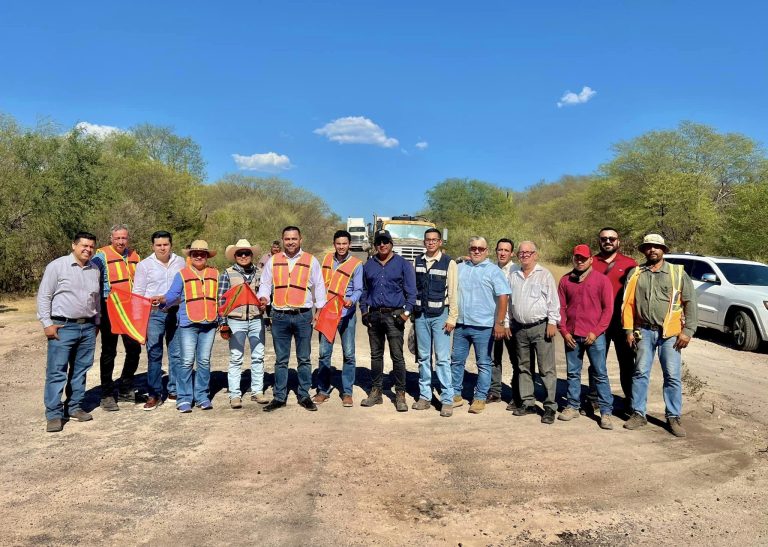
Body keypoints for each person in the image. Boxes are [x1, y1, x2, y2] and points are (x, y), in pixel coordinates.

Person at [622, 234, 698, 437]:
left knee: (672, 376)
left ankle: (673, 417)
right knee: (640, 373)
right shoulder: (636, 273)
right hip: (643, 331)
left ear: (663, 250)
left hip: (671, 334)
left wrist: (688, 331)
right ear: (644, 250)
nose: (652, 250)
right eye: (648, 247)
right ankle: (638, 413)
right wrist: (629, 330)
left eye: (656, 247)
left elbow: (690, 303)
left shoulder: (677, 273)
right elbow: (628, 304)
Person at [257, 226, 327, 412]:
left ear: (300, 239)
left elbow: (319, 286)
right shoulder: (273, 260)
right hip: (279, 315)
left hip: (303, 315)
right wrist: (263, 297)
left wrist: (319, 311)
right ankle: (279, 397)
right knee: (281, 360)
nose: (290, 242)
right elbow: (265, 283)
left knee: (304, 359)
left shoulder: (311, 260)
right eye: (287, 239)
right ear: (282, 240)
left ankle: (304, 395)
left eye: (294, 238)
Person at [37, 231, 101, 432]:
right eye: (84, 245)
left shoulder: (95, 269)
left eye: (91, 246)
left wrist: (97, 322)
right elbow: (44, 296)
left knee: (81, 370)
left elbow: (96, 299)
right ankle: (54, 414)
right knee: (57, 371)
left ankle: (74, 406)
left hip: (88, 326)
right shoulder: (57, 266)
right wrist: (47, 323)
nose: (87, 249)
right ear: (73, 245)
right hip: (63, 326)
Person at [153, 240, 219, 413]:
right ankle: (184, 398)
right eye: (195, 253)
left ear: (207, 256)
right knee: (187, 362)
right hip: (188, 324)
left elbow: (222, 298)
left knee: (204, 362)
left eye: (202, 253)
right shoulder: (181, 275)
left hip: (209, 323)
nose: (199, 256)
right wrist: (162, 299)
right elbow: (172, 295)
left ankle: (202, 396)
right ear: (190, 256)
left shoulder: (215, 274)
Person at [450, 237, 510, 415]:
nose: (477, 251)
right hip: (461, 324)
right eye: (473, 248)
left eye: (480, 249)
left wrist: (499, 323)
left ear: (487, 251)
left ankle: (480, 397)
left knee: (483, 363)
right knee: (456, 361)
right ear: (469, 250)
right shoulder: (460, 268)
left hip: (484, 326)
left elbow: (503, 297)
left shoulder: (493, 271)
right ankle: (455, 394)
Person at [557, 245, 615, 430]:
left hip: (594, 337)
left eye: (583, 258)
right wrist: (564, 331)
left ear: (591, 260)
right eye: (577, 258)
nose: (580, 261)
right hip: (572, 336)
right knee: (573, 373)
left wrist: (596, 332)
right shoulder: (566, 280)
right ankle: (573, 406)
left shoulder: (601, 280)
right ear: (573, 259)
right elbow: (561, 308)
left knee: (600, 373)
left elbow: (608, 310)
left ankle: (606, 412)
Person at [359, 229, 417, 411]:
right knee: (376, 355)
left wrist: (406, 314)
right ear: (375, 245)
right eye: (379, 242)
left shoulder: (403, 264)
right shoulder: (368, 265)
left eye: (385, 241)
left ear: (391, 243)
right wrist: (364, 311)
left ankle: (400, 394)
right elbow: (364, 291)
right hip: (374, 315)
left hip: (395, 316)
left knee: (397, 356)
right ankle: (376, 392)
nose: (382, 245)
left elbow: (411, 292)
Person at [506, 241, 561, 424]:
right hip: (520, 328)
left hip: (541, 327)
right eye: (522, 253)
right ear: (518, 255)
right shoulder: (513, 275)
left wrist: (552, 322)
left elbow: (553, 301)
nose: (525, 255)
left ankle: (549, 406)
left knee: (546, 369)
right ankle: (528, 402)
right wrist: (507, 323)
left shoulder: (544, 274)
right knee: (523, 368)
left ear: (535, 255)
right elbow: (508, 302)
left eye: (529, 252)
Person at [91, 224, 142, 411]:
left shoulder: (135, 256)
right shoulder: (100, 257)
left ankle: (126, 388)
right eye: (117, 238)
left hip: (131, 310)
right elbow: (91, 281)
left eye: (124, 238)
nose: (121, 241)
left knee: (134, 348)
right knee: (109, 352)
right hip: (110, 308)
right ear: (111, 238)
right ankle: (106, 394)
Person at [132, 230, 185, 410]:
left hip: (175, 312)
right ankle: (154, 393)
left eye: (166, 244)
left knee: (176, 354)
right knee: (154, 353)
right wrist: (138, 323)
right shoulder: (144, 265)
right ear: (152, 246)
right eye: (158, 245)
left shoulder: (181, 262)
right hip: (153, 314)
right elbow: (138, 294)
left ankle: (174, 390)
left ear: (171, 244)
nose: (162, 248)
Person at [589, 227, 638, 416]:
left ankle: (631, 402)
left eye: (612, 238)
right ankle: (594, 399)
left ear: (618, 241)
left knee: (627, 363)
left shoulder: (629, 264)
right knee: (596, 362)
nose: (608, 241)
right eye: (604, 238)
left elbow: (636, 294)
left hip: (622, 322)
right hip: (598, 322)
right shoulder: (590, 262)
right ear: (599, 241)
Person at [313, 230, 363, 407]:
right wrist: (317, 311)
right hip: (327, 314)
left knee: (349, 354)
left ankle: (347, 392)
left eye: (344, 243)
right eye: (338, 243)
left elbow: (359, 289)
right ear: (334, 244)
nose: (341, 247)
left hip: (346, 315)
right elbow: (318, 284)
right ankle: (322, 390)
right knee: (324, 354)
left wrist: (352, 300)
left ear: (349, 244)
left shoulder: (356, 264)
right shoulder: (326, 260)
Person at [411, 228, 458, 417]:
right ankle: (425, 396)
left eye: (434, 240)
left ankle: (447, 399)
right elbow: (413, 289)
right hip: (421, 316)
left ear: (440, 242)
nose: (430, 243)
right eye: (428, 240)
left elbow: (454, 292)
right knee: (423, 357)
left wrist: (452, 317)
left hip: (441, 316)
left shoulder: (449, 263)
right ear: (424, 242)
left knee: (443, 359)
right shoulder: (417, 261)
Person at [218, 238, 268, 409]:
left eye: (247, 253)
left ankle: (257, 391)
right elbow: (221, 300)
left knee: (258, 356)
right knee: (236, 358)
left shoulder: (261, 272)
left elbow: (267, 295)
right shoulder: (227, 273)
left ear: (252, 255)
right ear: (235, 255)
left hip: (256, 319)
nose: (244, 256)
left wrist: (265, 306)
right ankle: (234, 394)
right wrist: (223, 323)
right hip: (235, 320)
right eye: (240, 253)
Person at [488, 238, 519, 406]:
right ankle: (495, 391)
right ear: (496, 251)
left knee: (516, 360)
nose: (502, 253)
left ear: (512, 253)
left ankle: (517, 394)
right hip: (493, 321)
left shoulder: (516, 270)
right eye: (500, 250)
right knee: (494, 358)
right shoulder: (491, 269)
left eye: (506, 250)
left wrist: (506, 322)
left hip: (512, 323)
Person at [258, 240, 281, 331]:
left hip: (277, 283)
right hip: (266, 283)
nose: (275, 249)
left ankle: (273, 322)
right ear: (271, 248)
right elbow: (258, 268)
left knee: (275, 302)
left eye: (277, 247)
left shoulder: (282, 257)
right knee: (267, 302)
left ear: (280, 249)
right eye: (274, 247)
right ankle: (269, 320)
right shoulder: (265, 257)